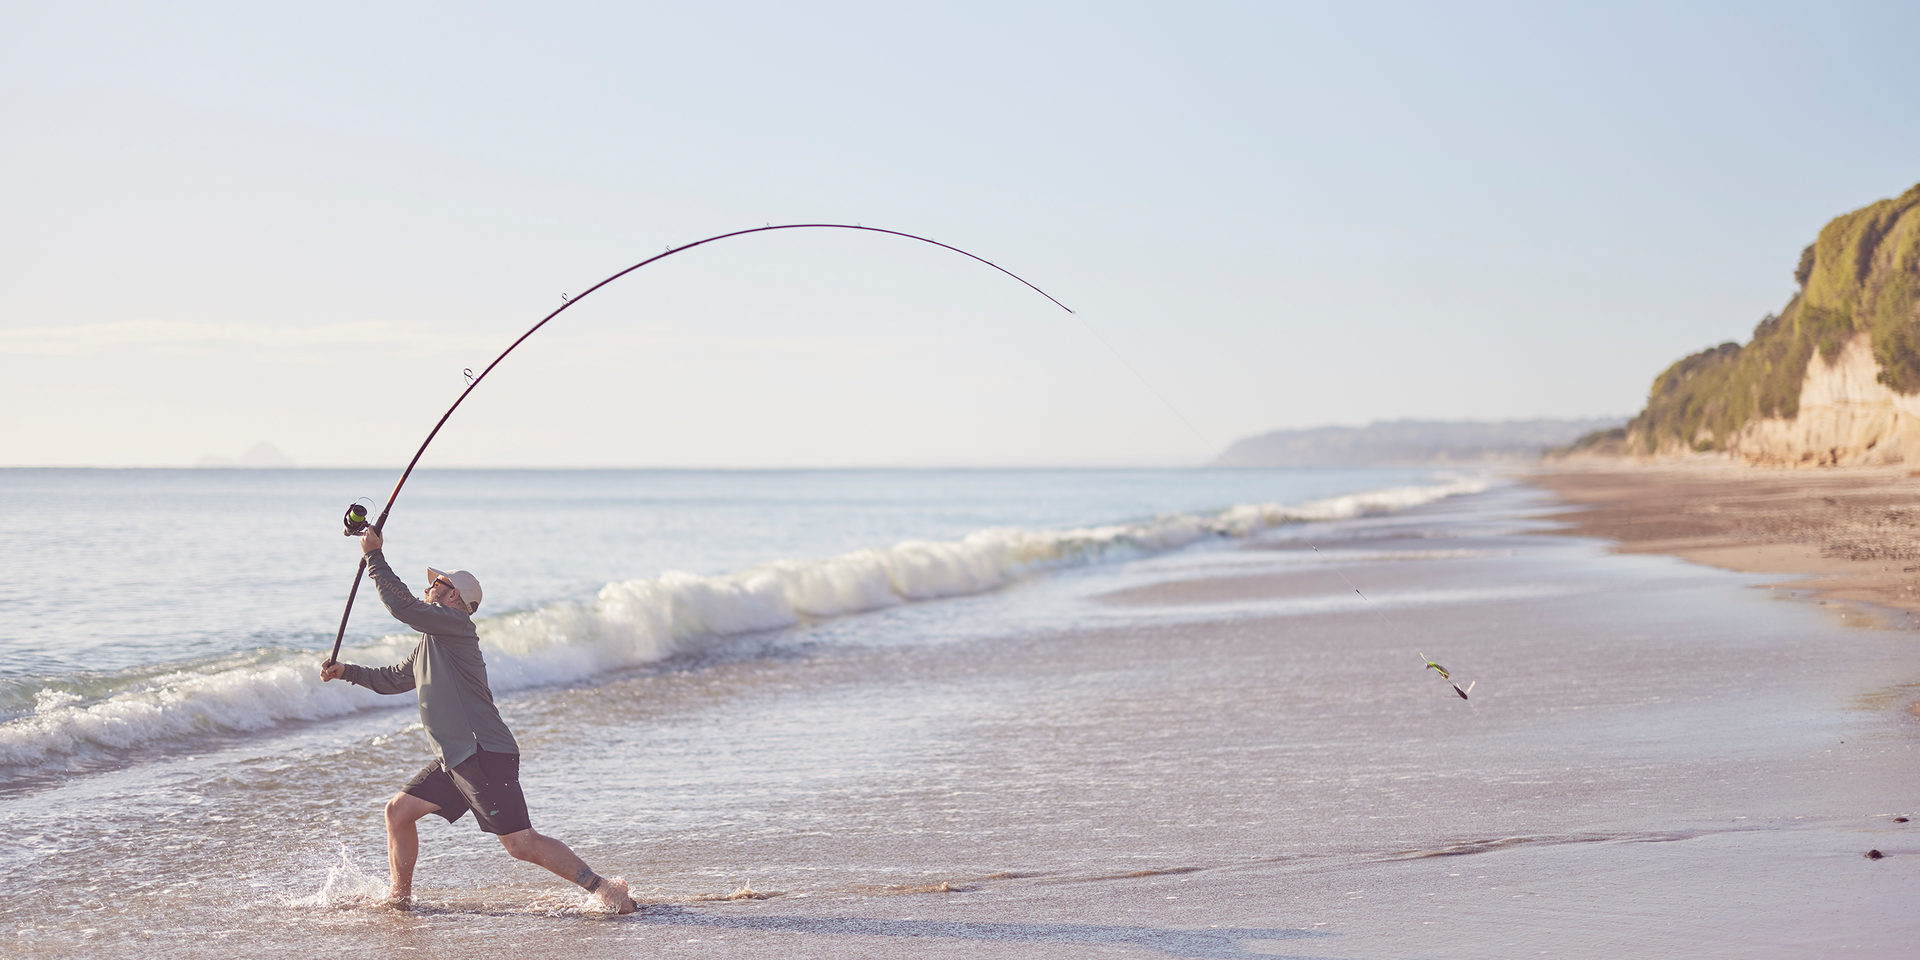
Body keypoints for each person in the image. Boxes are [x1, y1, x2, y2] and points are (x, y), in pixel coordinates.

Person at [321, 527, 636, 913]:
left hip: (482, 752)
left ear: (453, 596)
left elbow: (401, 606)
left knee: (521, 844)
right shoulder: (431, 642)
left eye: (436, 583)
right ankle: (399, 899)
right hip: (456, 757)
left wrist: (374, 557)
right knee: (398, 812)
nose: (429, 588)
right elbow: (393, 680)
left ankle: (605, 889)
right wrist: (346, 671)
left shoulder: (456, 626)